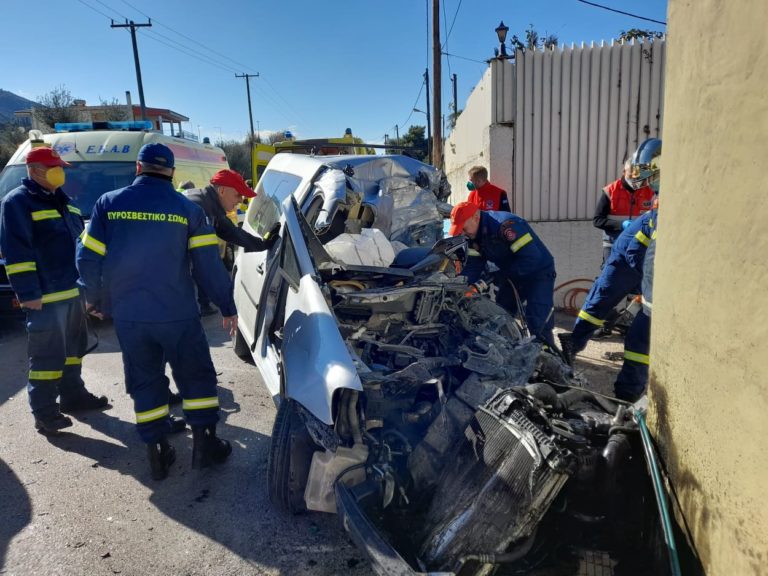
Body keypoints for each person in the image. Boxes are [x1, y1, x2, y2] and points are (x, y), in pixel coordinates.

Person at [76, 143, 237, 481]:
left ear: (138, 168)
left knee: (145, 379)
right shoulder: (187, 210)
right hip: (178, 313)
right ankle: (205, 445)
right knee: (195, 377)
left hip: (131, 315)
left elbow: (88, 257)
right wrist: (227, 305)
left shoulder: (109, 204)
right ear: (172, 173)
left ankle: (156, 450)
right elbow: (208, 265)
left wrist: (93, 298)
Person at [0, 147, 108, 433]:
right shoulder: (18, 203)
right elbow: (16, 253)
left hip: (73, 292)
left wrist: (89, 291)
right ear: (34, 170)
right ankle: (45, 413)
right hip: (44, 297)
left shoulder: (65, 203)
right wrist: (28, 294)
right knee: (47, 358)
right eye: (54, 167)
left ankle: (74, 396)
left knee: (74, 351)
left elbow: (79, 249)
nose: (61, 172)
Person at [559, 139, 661, 400]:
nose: (636, 179)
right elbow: (600, 221)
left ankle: (628, 390)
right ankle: (573, 344)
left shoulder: (655, 196)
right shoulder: (612, 190)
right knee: (597, 303)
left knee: (639, 326)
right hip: (621, 255)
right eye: (631, 173)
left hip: (639, 258)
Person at [448, 201, 556, 347]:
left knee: (538, 323)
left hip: (538, 273)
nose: (463, 233)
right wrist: (462, 287)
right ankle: (510, 353)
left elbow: (531, 258)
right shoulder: (473, 236)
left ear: (475, 217)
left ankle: (549, 361)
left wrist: (499, 276)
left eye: (464, 228)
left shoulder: (506, 226)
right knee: (500, 315)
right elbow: (474, 266)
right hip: (510, 275)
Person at [184, 169, 280, 315]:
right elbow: (209, 266)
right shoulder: (201, 210)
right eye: (238, 195)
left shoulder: (207, 203)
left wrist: (265, 244)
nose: (241, 200)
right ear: (222, 191)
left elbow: (233, 233)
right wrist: (228, 308)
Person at [611, 139, 661, 401]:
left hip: (657, 299)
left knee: (640, 344)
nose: (644, 181)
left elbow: (639, 249)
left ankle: (629, 394)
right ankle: (628, 394)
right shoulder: (658, 203)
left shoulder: (662, 204)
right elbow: (640, 247)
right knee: (638, 344)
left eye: (647, 174)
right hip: (651, 295)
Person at [593, 161, 655, 265]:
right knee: (611, 278)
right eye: (631, 174)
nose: (634, 178)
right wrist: (621, 224)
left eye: (637, 175)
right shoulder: (611, 191)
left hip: (639, 246)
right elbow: (597, 220)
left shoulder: (649, 192)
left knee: (638, 279)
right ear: (624, 171)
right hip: (613, 245)